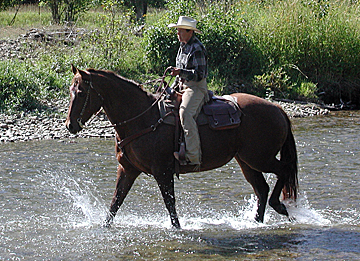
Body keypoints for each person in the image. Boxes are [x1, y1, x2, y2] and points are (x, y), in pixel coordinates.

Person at [168, 16, 209, 166]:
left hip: (195, 87)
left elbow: (199, 75)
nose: (177, 33)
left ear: (189, 32)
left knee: (186, 113)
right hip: (182, 85)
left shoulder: (197, 48)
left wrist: (180, 72)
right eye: (177, 30)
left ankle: (193, 157)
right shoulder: (183, 45)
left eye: (180, 31)